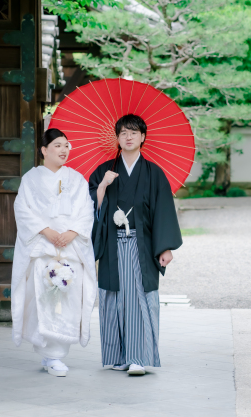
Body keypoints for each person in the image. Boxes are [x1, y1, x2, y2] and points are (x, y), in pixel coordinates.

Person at [89, 113, 182, 376]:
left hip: (142, 247)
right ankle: (119, 356)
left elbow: (163, 210)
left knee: (140, 298)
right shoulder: (104, 171)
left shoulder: (154, 173)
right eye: (123, 133)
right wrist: (103, 187)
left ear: (143, 136)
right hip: (113, 245)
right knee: (114, 299)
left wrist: (165, 247)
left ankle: (138, 357)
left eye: (133, 132)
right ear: (117, 138)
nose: (128, 137)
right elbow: (89, 207)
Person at [11, 128, 97, 377]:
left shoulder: (77, 179)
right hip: (44, 249)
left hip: (70, 250)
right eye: (57, 145)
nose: (63, 150)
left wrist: (72, 232)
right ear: (44, 150)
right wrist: (45, 230)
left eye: (66, 145)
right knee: (43, 301)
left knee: (67, 302)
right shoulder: (31, 179)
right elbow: (23, 209)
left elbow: (86, 211)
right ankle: (49, 355)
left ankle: (57, 354)